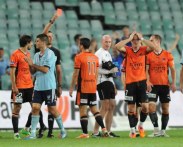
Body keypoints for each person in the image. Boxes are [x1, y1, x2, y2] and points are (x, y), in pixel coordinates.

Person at [22, 10, 63, 138]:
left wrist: (59, 85)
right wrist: (52, 20)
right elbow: (43, 33)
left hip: (50, 83)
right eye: (48, 36)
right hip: (38, 84)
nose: (49, 37)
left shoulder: (54, 52)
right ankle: (33, 132)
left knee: (52, 109)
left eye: (51, 36)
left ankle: (59, 130)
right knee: (35, 108)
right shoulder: (37, 51)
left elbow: (58, 70)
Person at [115, 31, 157, 138]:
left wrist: (142, 38)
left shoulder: (143, 50)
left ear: (139, 41)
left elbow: (153, 47)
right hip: (130, 83)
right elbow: (117, 46)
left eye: (136, 40)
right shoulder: (128, 50)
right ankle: (132, 130)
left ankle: (141, 125)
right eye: (133, 40)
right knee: (131, 109)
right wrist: (129, 38)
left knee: (145, 107)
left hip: (142, 82)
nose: (135, 42)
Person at [69, 38, 109, 138]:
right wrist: (94, 84)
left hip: (83, 87)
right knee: (94, 109)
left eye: (79, 44)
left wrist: (71, 88)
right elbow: (96, 73)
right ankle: (104, 128)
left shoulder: (79, 57)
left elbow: (75, 74)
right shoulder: (94, 57)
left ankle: (85, 133)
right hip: (92, 87)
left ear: (81, 45)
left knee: (83, 110)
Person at [146, 34, 176, 137]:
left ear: (158, 42)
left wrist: (173, 82)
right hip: (153, 86)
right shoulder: (148, 55)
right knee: (151, 107)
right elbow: (146, 70)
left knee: (165, 109)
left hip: (164, 86)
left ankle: (163, 131)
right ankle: (156, 130)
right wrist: (147, 81)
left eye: (151, 41)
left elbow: (172, 69)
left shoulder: (167, 55)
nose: (149, 43)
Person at [92, 35, 119, 138]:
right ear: (102, 42)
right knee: (105, 106)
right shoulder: (98, 53)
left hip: (109, 82)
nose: (108, 44)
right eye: (106, 42)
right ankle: (95, 131)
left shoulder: (108, 54)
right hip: (102, 81)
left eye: (109, 42)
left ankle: (108, 131)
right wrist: (109, 71)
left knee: (112, 105)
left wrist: (114, 84)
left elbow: (111, 71)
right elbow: (96, 69)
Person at [10, 35, 34, 139]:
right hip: (19, 87)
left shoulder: (28, 54)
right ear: (27, 43)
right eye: (31, 42)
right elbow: (12, 72)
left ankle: (26, 128)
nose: (32, 44)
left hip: (30, 86)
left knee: (35, 107)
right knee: (17, 108)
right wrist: (14, 86)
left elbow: (29, 70)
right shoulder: (15, 54)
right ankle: (16, 133)